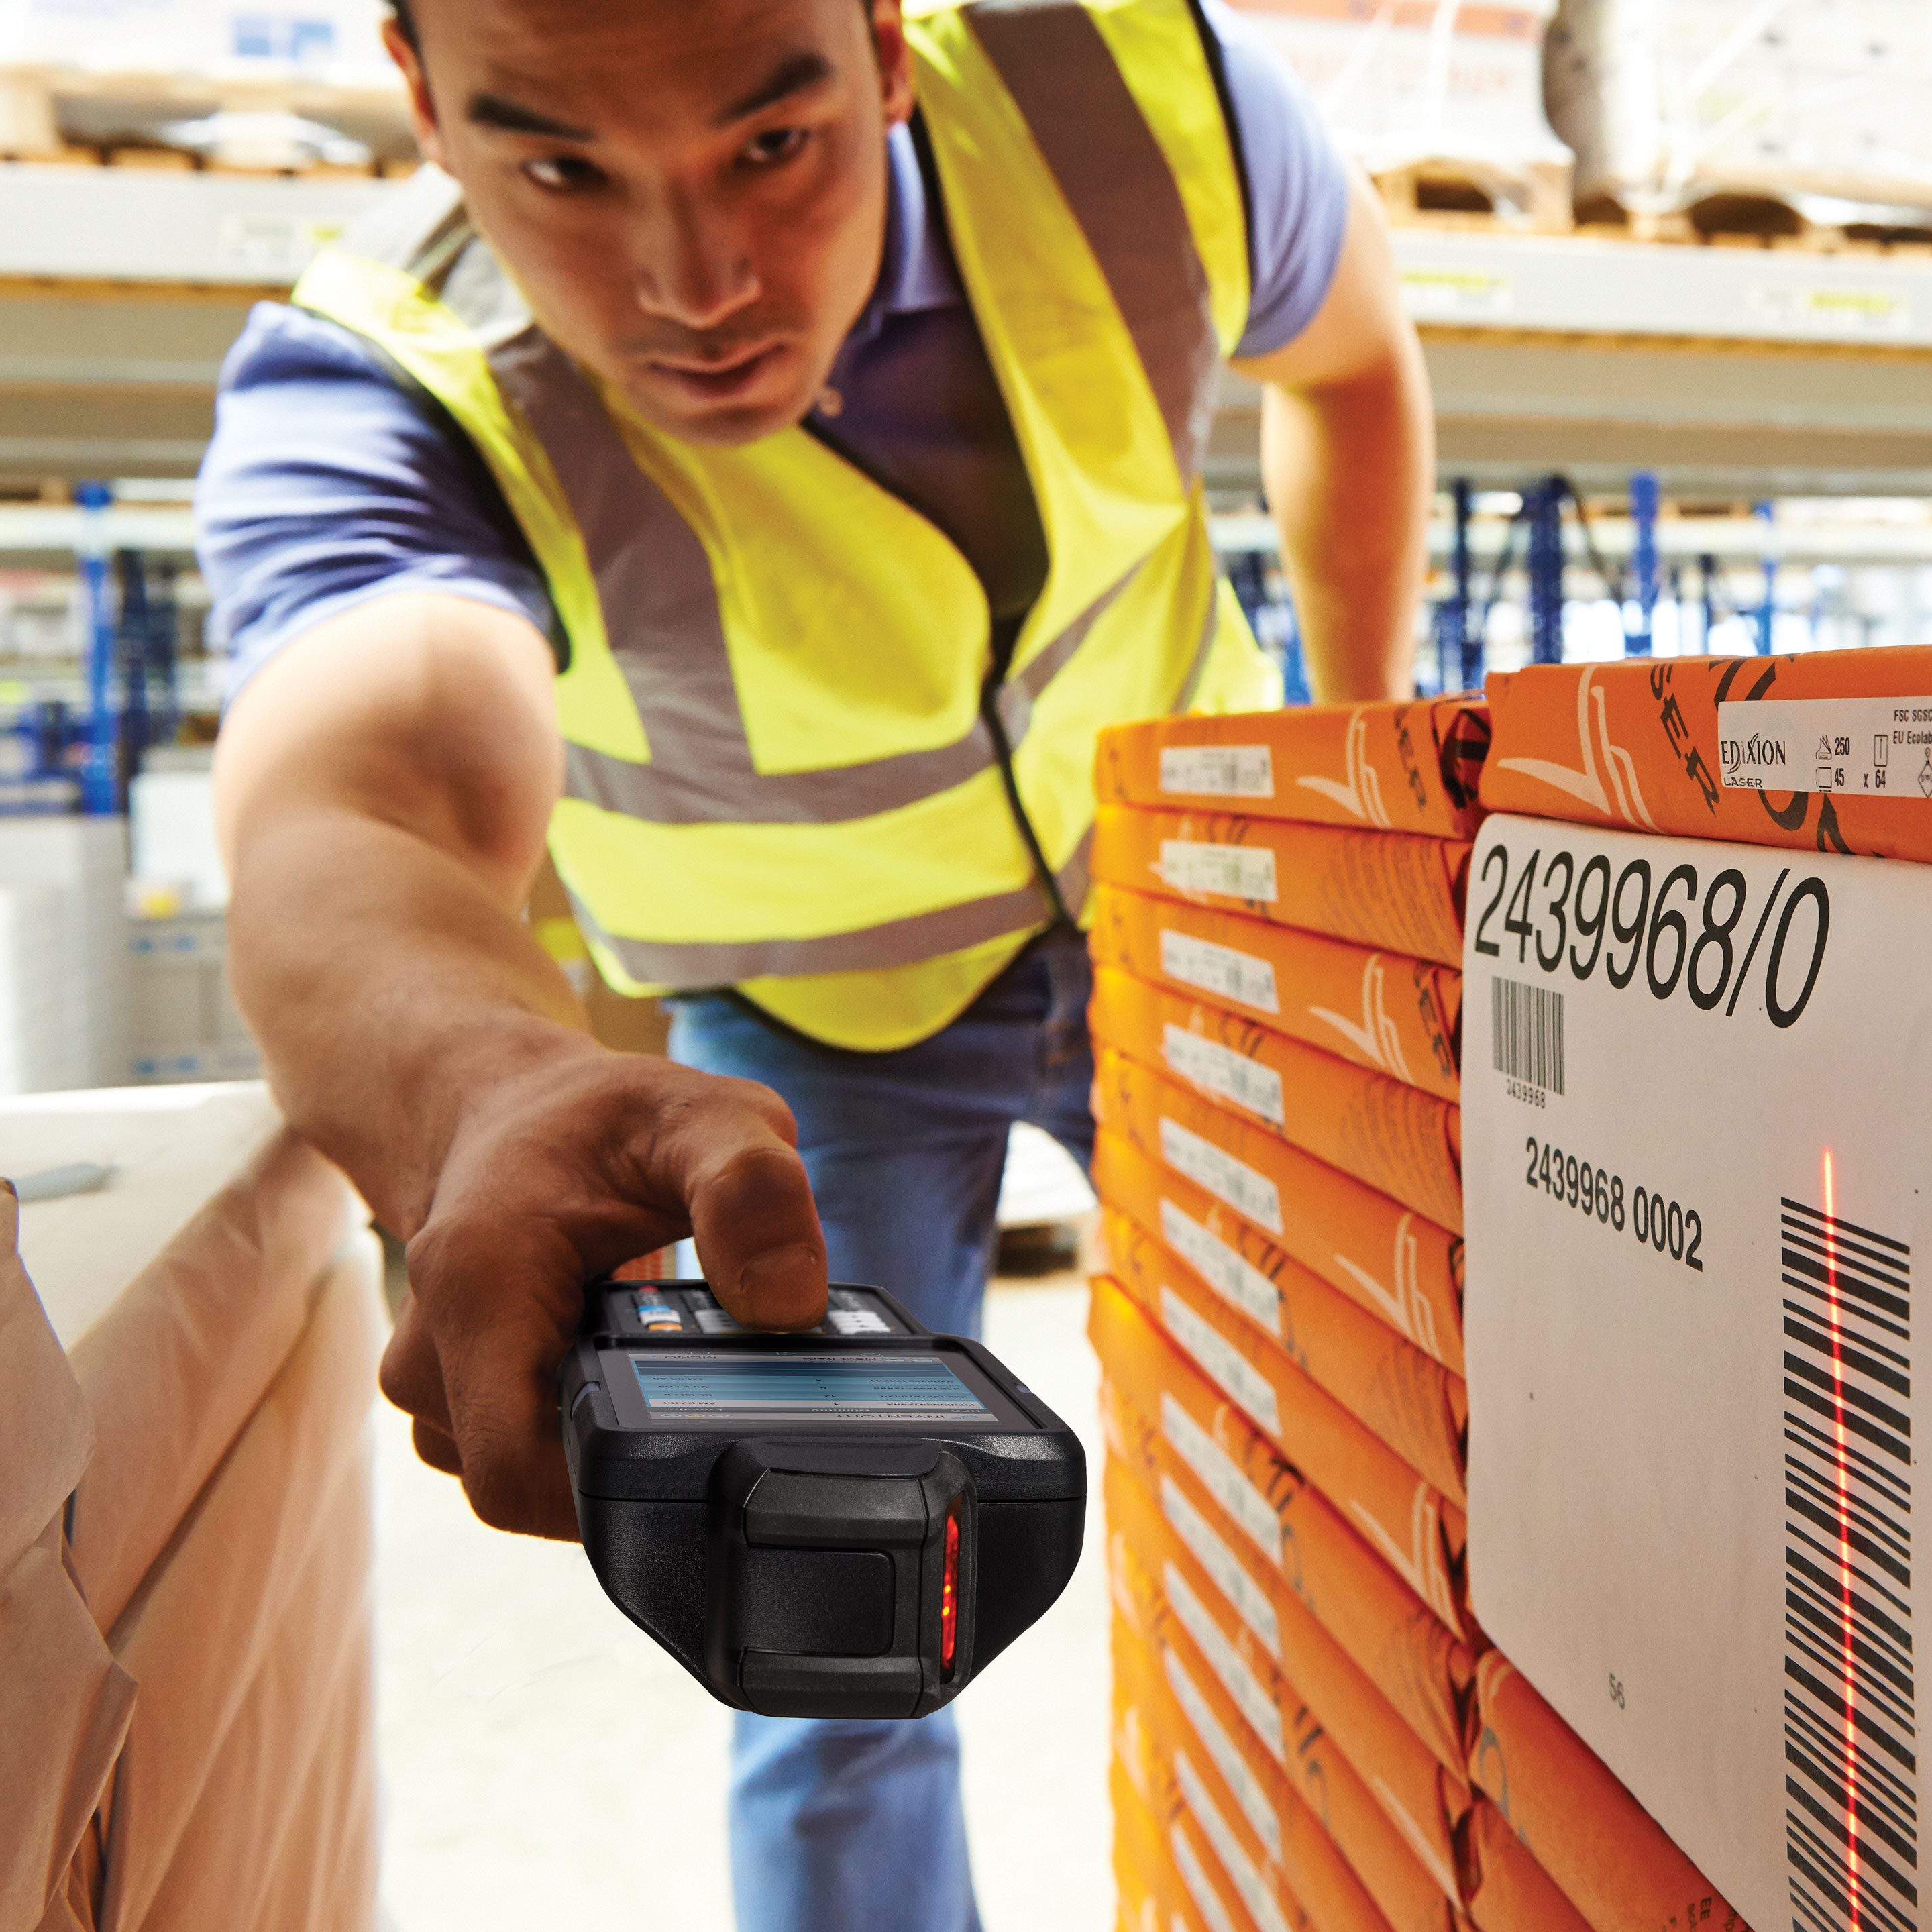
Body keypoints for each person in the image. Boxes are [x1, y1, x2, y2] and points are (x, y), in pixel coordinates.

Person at [199, 0, 1430, 1923]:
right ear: (422, 100)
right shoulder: (391, 388)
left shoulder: (1135, 98)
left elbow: (1351, 360)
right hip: (806, 1047)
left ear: (884, 46)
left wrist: (1379, 813)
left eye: (771, 147)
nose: (692, 284)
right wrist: (486, 1084)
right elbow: (365, 803)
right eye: (561, 172)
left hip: (1200, 934)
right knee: (838, 1631)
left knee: (1358, 1534)